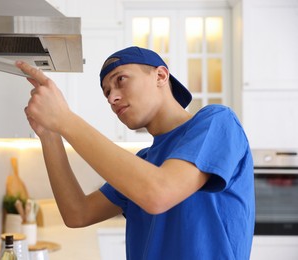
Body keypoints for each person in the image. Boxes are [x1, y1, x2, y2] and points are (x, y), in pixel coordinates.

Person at [15, 46, 255, 259]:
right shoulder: (144, 162)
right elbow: (77, 213)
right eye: (107, 92)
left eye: (120, 80)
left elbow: (159, 193)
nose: (113, 98)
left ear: (160, 75)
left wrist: (65, 119)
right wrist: (50, 135)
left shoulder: (217, 122)